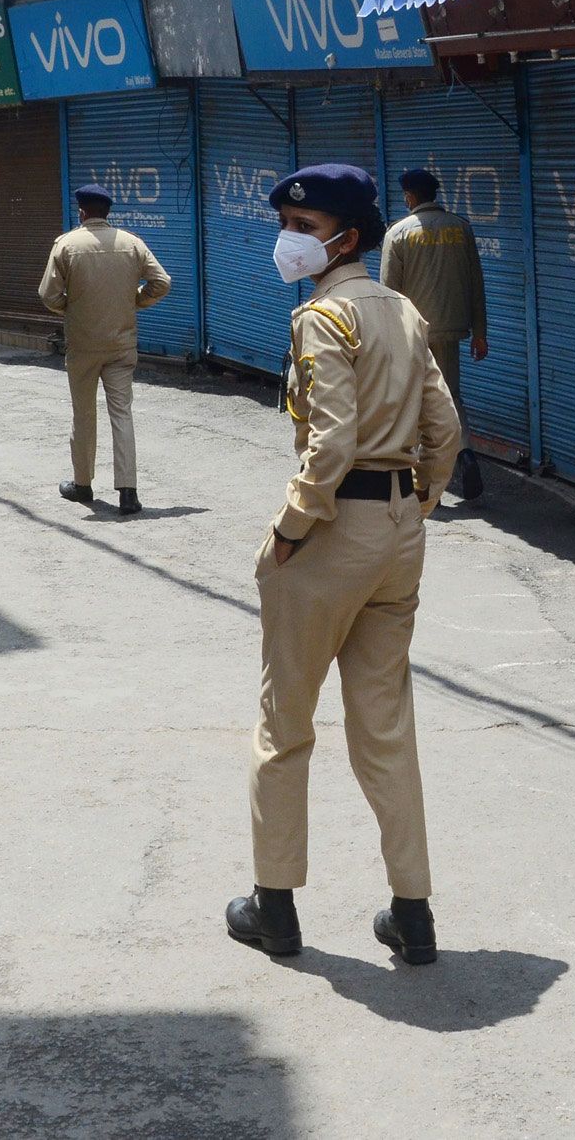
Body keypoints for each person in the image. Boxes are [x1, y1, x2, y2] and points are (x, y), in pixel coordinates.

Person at [227, 164, 461, 968]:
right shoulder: (399, 310)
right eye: (287, 221)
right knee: (386, 727)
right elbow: (446, 426)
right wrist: (419, 498)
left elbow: (328, 442)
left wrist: (291, 529)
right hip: (398, 533)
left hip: (332, 533)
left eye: (303, 223)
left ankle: (275, 909)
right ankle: (413, 913)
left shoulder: (324, 318)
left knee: (283, 723)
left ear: (345, 237)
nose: (289, 237)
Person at [39, 182, 172, 516]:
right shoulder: (132, 244)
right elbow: (162, 282)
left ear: (82, 212)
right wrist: (135, 301)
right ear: (107, 212)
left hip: (83, 345)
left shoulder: (67, 245)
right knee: (122, 414)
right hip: (121, 343)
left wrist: (72, 308)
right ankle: (128, 493)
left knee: (83, 415)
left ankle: (82, 484)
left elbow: (48, 294)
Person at [380, 167, 489, 501]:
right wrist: (480, 332)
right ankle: (465, 453)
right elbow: (476, 283)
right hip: (452, 329)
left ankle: (427, 485)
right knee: (451, 396)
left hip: (414, 333)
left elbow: (388, 294)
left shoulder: (398, 234)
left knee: (415, 401)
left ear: (410, 197)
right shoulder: (461, 228)